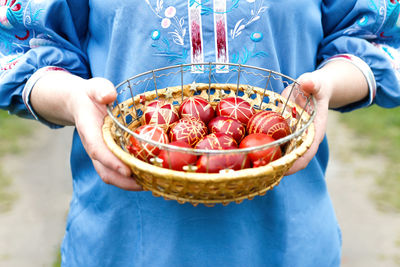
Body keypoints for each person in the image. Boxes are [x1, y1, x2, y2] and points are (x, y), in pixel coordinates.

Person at [1, 0, 400, 266]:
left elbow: (374, 36)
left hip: (286, 240)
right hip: (127, 241)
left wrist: (327, 84)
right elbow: (22, 45)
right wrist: (73, 98)